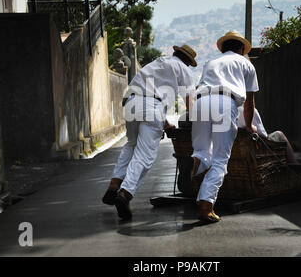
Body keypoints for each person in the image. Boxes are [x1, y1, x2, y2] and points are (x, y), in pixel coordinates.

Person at [102, 44, 197, 220]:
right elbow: (190, 102)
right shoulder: (183, 70)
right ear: (188, 62)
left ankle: (115, 184)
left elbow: (151, 96)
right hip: (152, 107)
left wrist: (164, 121)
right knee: (145, 155)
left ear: (174, 53)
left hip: (131, 102)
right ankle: (125, 193)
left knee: (131, 145)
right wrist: (198, 124)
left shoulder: (157, 63)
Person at [191, 31, 258, 223]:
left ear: (224, 47)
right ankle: (206, 205)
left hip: (202, 102)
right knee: (221, 159)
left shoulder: (211, 62)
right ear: (241, 49)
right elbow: (250, 101)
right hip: (224, 102)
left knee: (203, 149)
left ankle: (199, 160)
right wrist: (250, 125)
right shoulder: (246, 64)